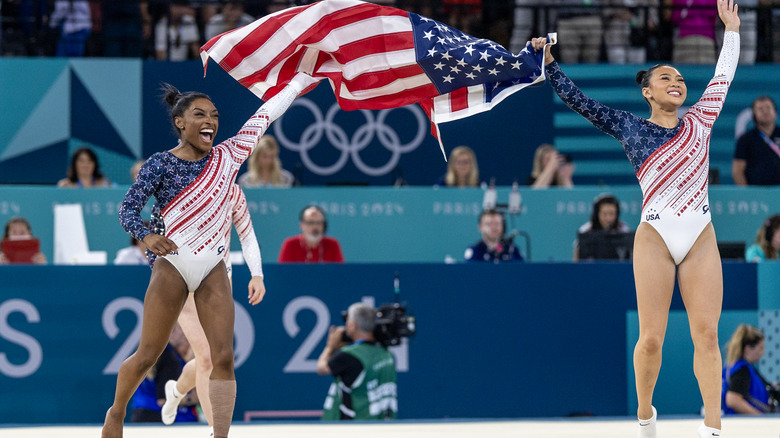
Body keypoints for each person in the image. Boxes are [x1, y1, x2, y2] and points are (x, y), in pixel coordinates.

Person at [531, 1, 739, 436]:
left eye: (680, 78)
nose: (677, 82)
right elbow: (581, 102)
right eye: (666, 77)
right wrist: (549, 64)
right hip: (656, 236)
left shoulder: (700, 120)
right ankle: (646, 415)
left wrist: (732, 30)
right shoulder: (630, 127)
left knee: (707, 337)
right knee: (651, 340)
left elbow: (723, 74)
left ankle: (714, 427)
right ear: (648, 91)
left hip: (700, 234)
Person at [101, 78, 302, 438]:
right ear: (180, 122)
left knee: (222, 356)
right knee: (148, 353)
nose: (210, 120)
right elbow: (128, 208)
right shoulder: (161, 164)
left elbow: (265, 114)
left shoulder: (229, 155)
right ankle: (115, 414)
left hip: (213, 267)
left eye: (214, 115)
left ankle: (220, 434)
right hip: (172, 266)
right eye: (199, 115)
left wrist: (303, 78)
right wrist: (147, 236)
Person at [159, 183, 266, 435]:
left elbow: (247, 234)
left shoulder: (233, 191)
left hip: (218, 279)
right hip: (183, 278)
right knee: (206, 358)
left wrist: (257, 274)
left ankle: (175, 391)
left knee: (213, 357)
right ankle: (214, 430)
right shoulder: (182, 185)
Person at [316, 302, 398, 420]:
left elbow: (322, 368)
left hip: (355, 428)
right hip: (382, 425)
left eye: (347, 321)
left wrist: (330, 347)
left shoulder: (350, 355)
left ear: (353, 325)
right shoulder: (387, 354)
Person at [130, 323, 199, 423]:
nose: (185, 333)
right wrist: (191, 399)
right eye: (181, 329)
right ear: (171, 333)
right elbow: (163, 400)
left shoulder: (153, 352)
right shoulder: (170, 358)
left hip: (141, 416)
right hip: (157, 420)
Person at [722, 324, 778, 414]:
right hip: (743, 425)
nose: (763, 353)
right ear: (748, 348)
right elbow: (732, 399)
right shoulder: (741, 370)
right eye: (760, 348)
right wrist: (760, 418)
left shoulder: (737, 368)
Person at [732, 96, 780, 186]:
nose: (765, 112)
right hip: (756, 195)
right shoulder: (745, 139)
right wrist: (747, 195)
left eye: (768, 108)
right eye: (760, 109)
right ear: (754, 115)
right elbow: (737, 171)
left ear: (775, 113)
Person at [573, 194, 631, 261]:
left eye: (611, 213)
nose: (608, 218)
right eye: (604, 214)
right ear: (597, 213)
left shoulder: (624, 230)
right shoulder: (585, 230)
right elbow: (577, 259)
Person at [278, 205, 344, 263]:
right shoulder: (290, 244)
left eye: (319, 223)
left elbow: (340, 273)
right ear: (301, 225)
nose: (315, 227)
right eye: (310, 223)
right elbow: (282, 273)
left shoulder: (332, 244)